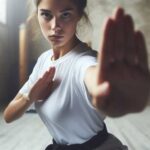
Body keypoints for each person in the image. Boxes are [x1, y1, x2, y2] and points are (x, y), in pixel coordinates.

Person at [3, 0, 150, 149]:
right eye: (46, 15)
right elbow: (8, 115)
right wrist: (31, 96)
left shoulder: (85, 61)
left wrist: (109, 90)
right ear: (38, 15)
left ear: (79, 15)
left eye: (65, 15)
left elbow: (92, 74)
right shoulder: (43, 60)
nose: (55, 26)